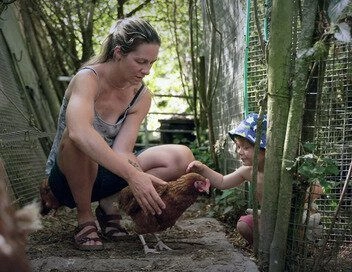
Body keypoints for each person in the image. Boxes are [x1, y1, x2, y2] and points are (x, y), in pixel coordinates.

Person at [40, 17, 195, 251]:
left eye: (151, 63)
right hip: (66, 180)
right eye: (141, 61)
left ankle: (108, 204)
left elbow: (122, 150)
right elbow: (79, 133)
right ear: (119, 52)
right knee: (79, 140)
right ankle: (85, 218)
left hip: (107, 173)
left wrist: (141, 176)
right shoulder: (87, 78)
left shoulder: (141, 95)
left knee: (181, 157)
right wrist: (134, 177)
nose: (147, 71)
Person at [187, 113, 267, 245]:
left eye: (246, 147)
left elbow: (314, 185)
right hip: (266, 220)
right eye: (238, 146)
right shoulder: (248, 171)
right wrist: (202, 169)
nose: (240, 152)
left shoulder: (280, 172)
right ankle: (263, 250)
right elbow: (222, 182)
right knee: (244, 225)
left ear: (265, 148)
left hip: (287, 221)